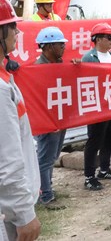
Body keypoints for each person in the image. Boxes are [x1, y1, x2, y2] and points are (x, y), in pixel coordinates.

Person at [0, 0, 41, 241]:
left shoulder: (5, 78)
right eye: (11, 26)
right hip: (8, 213)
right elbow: (6, 158)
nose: (17, 32)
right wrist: (24, 213)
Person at [80, 23, 111, 190]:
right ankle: (89, 176)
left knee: (110, 137)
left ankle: (104, 169)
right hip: (96, 106)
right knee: (94, 140)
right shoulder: (89, 58)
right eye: (109, 37)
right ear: (98, 39)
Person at [32, 27, 68, 209]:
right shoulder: (38, 68)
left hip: (59, 119)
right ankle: (45, 195)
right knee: (45, 158)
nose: (63, 47)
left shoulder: (60, 64)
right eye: (60, 44)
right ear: (48, 46)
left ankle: (47, 188)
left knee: (52, 156)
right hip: (48, 121)